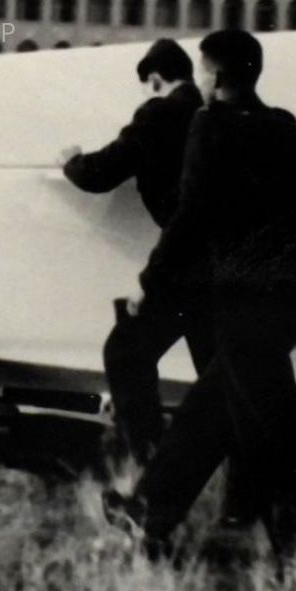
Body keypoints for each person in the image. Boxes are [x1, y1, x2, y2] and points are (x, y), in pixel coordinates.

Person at [106, 30, 296, 572]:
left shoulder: (210, 125)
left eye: (203, 71)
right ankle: (150, 511)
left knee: (280, 435)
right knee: (209, 414)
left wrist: (151, 281)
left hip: (240, 306)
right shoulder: (289, 131)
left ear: (213, 77)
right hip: (285, 306)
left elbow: (190, 218)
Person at [59, 38, 207, 466]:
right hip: (227, 265)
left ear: (155, 80)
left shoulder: (159, 113)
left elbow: (101, 173)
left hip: (186, 262)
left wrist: (71, 161)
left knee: (125, 352)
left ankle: (145, 461)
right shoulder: (207, 113)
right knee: (220, 376)